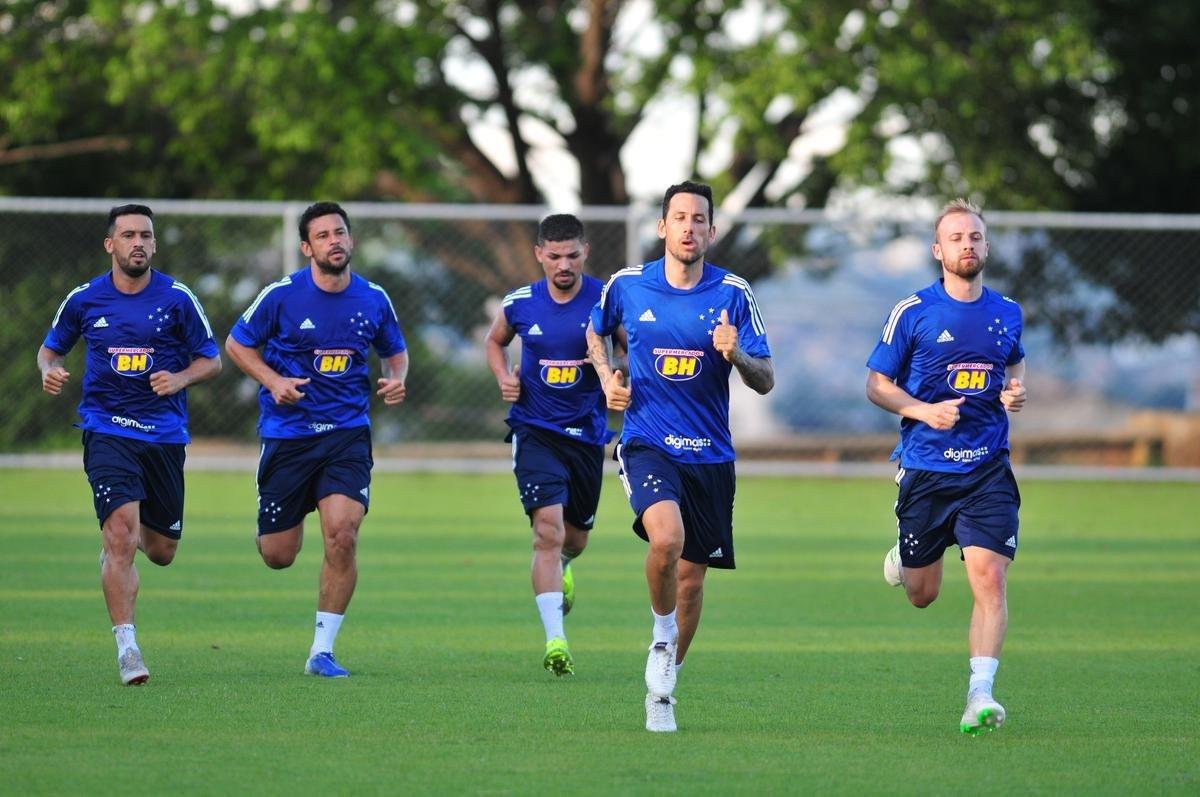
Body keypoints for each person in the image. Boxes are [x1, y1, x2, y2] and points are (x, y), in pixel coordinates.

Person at [586, 181, 774, 732]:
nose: (689, 227)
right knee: (666, 539)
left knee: (692, 580)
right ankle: (660, 637)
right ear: (663, 227)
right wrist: (606, 380)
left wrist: (735, 351)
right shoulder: (627, 286)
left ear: (712, 232)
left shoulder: (734, 293)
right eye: (679, 218)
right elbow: (595, 334)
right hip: (647, 442)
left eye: (699, 220)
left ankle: (663, 691)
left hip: (711, 456)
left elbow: (765, 380)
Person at [38, 204, 222, 685]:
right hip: (106, 429)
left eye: (145, 235)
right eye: (128, 235)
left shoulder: (178, 298)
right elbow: (50, 347)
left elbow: (212, 360)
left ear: (154, 245)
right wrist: (49, 370)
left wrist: (179, 378)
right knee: (120, 535)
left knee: (161, 551)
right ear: (110, 244)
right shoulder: (84, 299)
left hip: (163, 435)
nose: (137, 242)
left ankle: (126, 537)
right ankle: (128, 649)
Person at [225, 201, 408, 678]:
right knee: (278, 556)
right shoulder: (281, 296)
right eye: (323, 235)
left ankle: (321, 651)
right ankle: (277, 520)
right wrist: (272, 381)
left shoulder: (373, 298)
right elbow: (237, 343)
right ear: (307, 247)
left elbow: (395, 352)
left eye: (341, 232)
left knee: (342, 535)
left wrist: (395, 378)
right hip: (289, 435)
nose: (335, 241)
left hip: (347, 433)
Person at [866, 198, 1027, 736]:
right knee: (922, 594)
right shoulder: (912, 311)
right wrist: (921, 409)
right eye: (956, 237)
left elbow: (1013, 361)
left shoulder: (1007, 311)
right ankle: (905, 554)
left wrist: (1013, 390)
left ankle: (980, 694)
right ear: (938, 250)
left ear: (986, 246)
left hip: (987, 468)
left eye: (976, 237)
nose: (967, 245)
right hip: (927, 470)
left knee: (990, 579)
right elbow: (876, 384)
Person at [484, 214, 611, 677]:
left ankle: (565, 566)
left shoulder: (605, 299)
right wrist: (503, 377)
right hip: (534, 430)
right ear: (539, 254)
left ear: (585, 252)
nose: (563, 264)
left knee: (574, 539)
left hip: (587, 436)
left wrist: (621, 378)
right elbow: (495, 342)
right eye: (554, 256)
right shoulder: (520, 303)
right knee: (548, 532)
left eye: (572, 255)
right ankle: (556, 639)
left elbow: (629, 346)